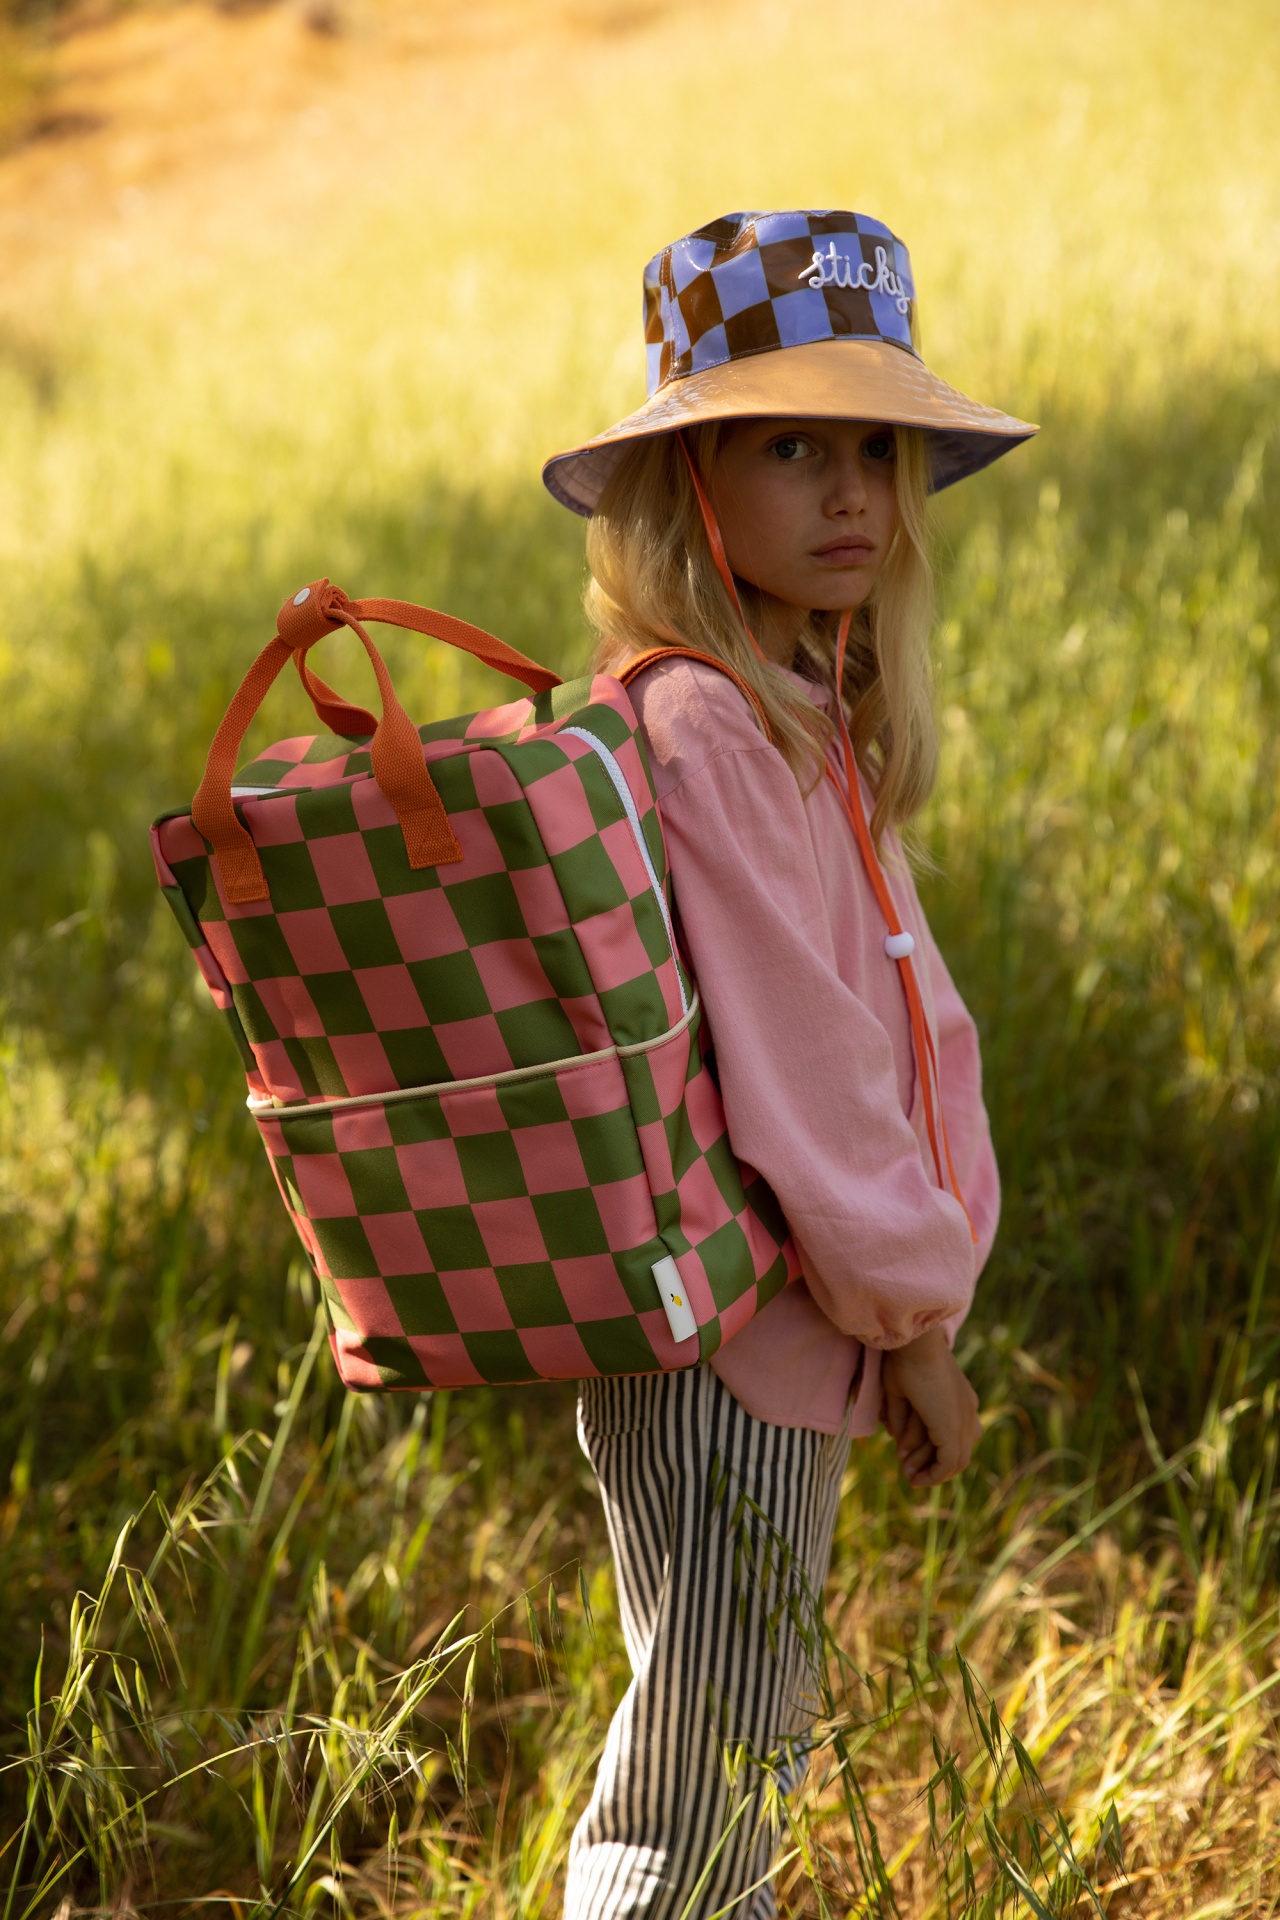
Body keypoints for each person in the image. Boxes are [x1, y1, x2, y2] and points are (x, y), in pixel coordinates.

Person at [540, 210, 1037, 1919]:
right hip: (743, 1337)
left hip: (779, 1322)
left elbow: (894, 1007)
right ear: (687, 485)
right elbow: (806, 1081)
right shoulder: (706, 726)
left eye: (879, 448)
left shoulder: (794, 707)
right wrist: (917, 1322)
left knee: (729, 1744)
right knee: (702, 1792)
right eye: (793, 446)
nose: (852, 494)